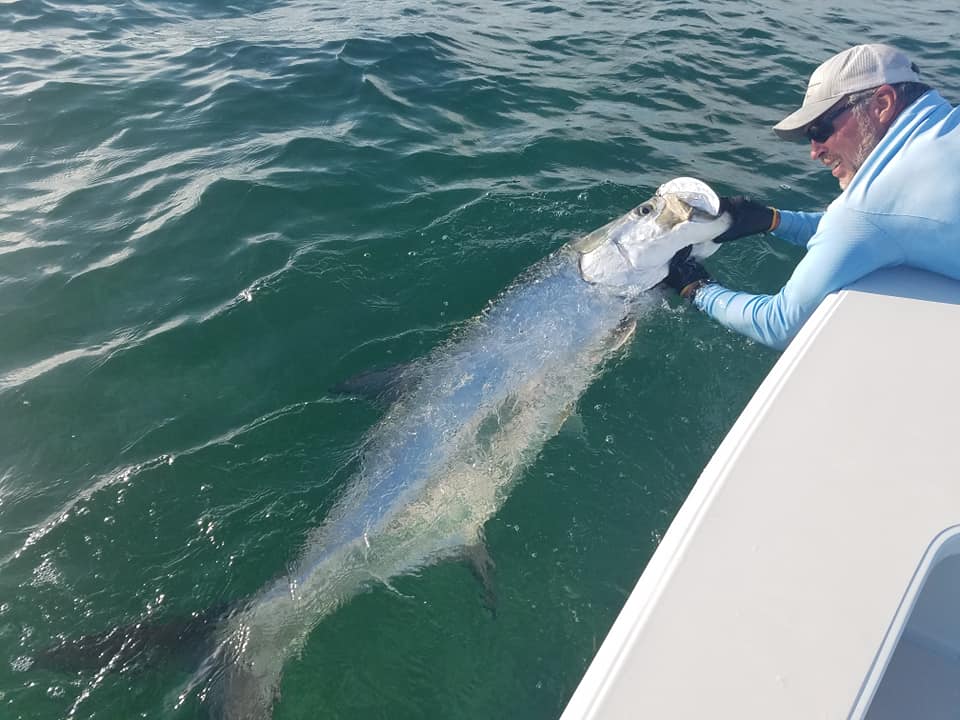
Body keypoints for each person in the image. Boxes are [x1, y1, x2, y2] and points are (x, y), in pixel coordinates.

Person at [665, 43, 960, 350]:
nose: (814, 151)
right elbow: (875, 226)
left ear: (883, 104)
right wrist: (772, 220)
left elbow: (778, 323)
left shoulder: (869, 206)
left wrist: (696, 287)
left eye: (819, 130)